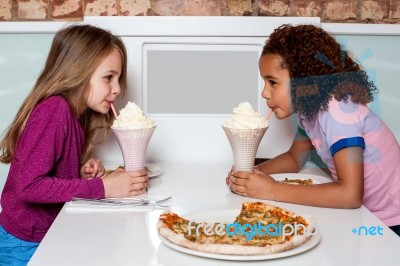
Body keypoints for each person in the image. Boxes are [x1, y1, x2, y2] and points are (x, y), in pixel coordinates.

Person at [226, 24, 400, 236]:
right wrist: (254, 175)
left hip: (389, 223)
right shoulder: (311, 112)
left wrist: (270, 190)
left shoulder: (339, 110)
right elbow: (294, 158)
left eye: (272, 82)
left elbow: (350, 195)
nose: (264, 93)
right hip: (366, 215)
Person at [0, 24, 149, 264]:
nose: (118, 89)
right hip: (25, 243)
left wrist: (80, 173)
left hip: (46, 235)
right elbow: (29, 187)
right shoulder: (54, 111)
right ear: (78, 71)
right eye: (108, 77)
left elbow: (48, 172)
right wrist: (102, 188)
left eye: (118, 78)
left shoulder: (73, 115)